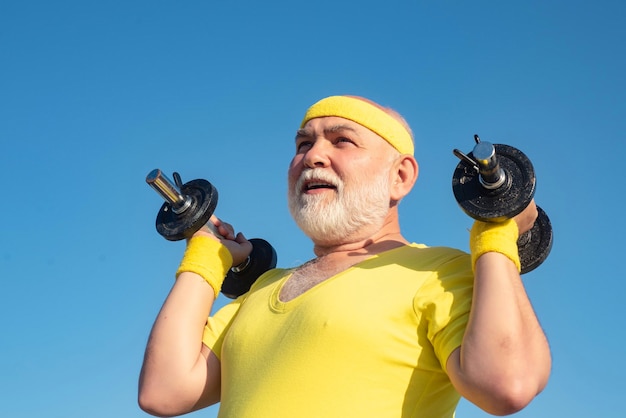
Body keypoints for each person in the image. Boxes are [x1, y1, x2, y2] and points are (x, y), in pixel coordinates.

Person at [138, 95, 551, 417]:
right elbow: (164, 391)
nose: (312, 156)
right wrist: (207, 257)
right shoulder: (264, 288)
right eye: (303, 143)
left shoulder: (439, 273)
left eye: (342, 141)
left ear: (400, 176)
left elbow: (507, 383)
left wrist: (496, 232)